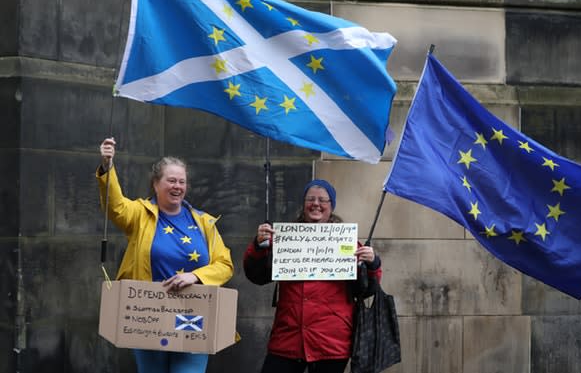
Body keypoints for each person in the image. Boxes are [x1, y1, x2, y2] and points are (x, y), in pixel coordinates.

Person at [97, 137, 234, 373]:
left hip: (194, 320)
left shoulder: (204, 222)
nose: (177, 186)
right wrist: (108, 167)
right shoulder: (139, 214)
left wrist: (196, 276)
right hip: (149, 317)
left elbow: (225, 265)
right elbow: (115, 206)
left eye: (182, 181)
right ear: (156, 184)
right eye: (171, 180)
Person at [243, 179, 382, 373]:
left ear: (331, 206)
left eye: (323, 200)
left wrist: (373, 263)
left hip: (331, 342)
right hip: (288, 339)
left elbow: (367, 290)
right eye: (311, 199)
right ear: (304, 204)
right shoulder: (284, 241)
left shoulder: (348, 243)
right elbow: (257, 275)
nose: (316, 204)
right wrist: (259, 246)